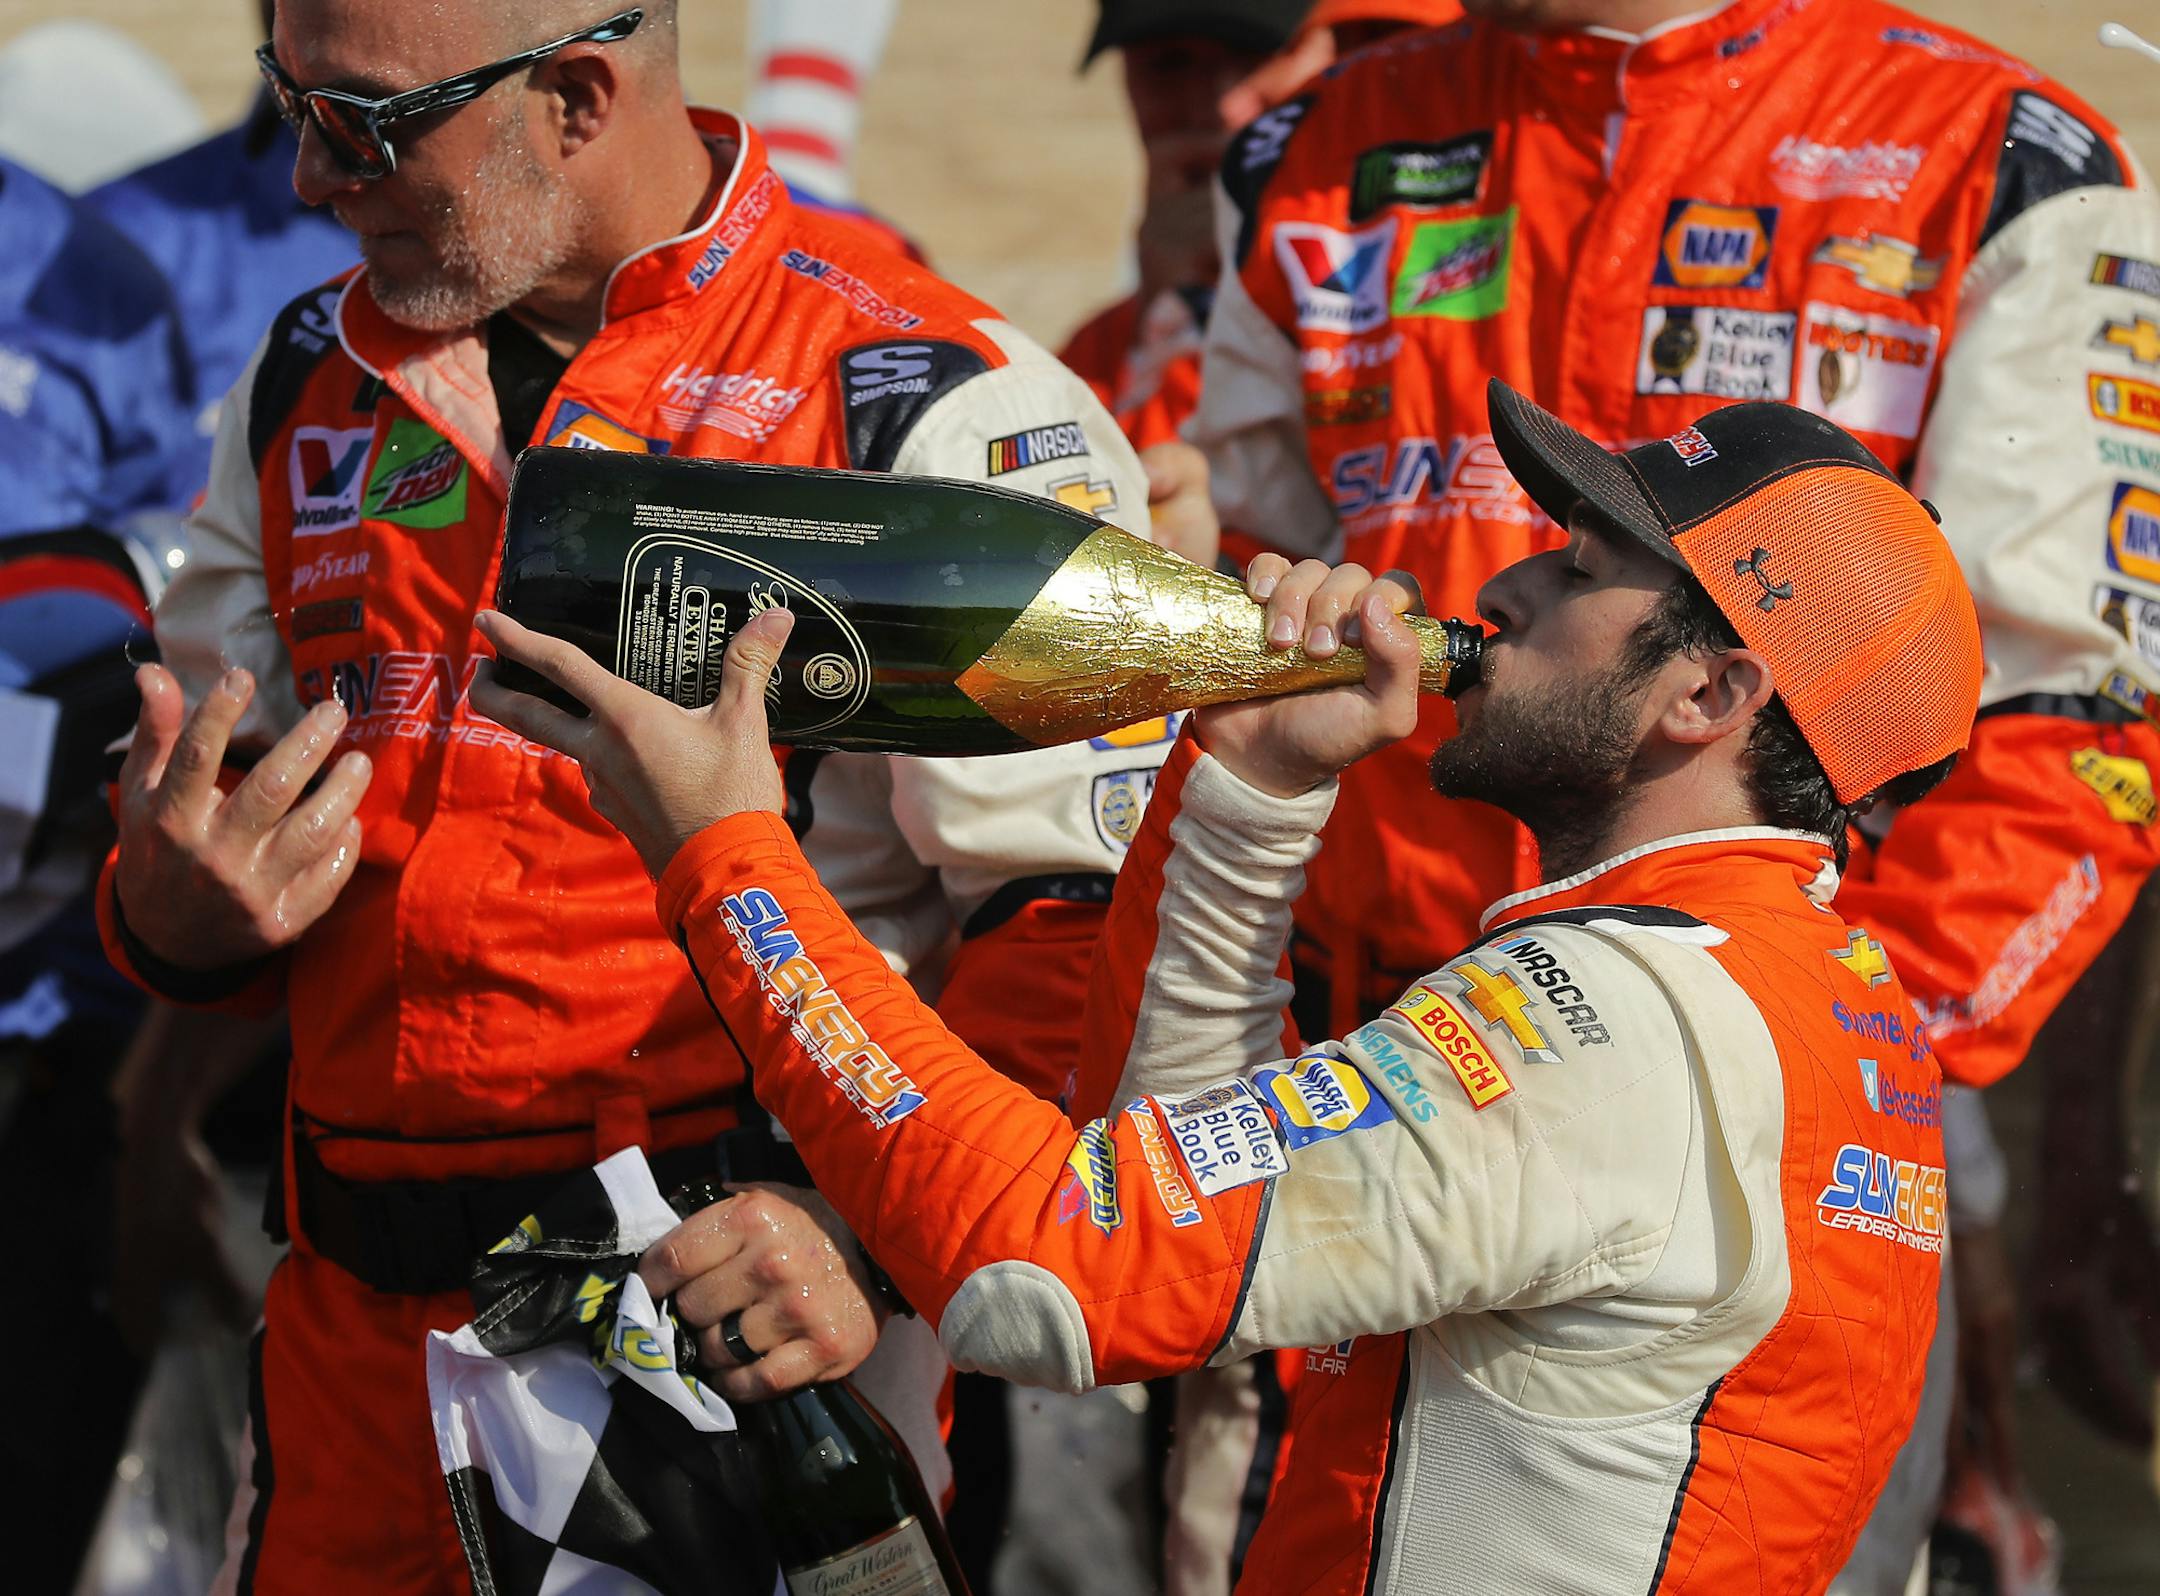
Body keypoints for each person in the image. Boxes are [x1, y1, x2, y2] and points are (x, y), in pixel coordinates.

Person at [473, 383, 1979, 1595]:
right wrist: (1254, 790)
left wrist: (728, 855)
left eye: (1580, 566)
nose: (1500, 582)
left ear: (1706, 695)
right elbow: (1171, 1189)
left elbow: (1043, 1271)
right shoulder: (1785, 994)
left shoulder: (1616, 1027)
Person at [95, 0, 1180, 1586]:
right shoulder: (304, 375)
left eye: (364, 127)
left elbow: (1075, 930)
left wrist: (867, 1245)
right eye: (290, 107)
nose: (311, 183)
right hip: (349, 1382)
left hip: (731, 1363)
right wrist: (175, 916)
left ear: (579, 98)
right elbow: (210, 836)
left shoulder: (922, 398)